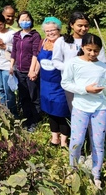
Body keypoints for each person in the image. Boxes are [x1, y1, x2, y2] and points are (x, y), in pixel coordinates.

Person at [61, 34, 106, 190]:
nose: (93, 54)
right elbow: (66, 83)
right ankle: (73, 169)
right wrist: (85, 89)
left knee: (98, 142)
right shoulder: (73, 64)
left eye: (96, 51)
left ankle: (96, 174)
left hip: (100, 108)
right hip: (81, 106)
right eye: (89, 50)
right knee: (77, 140)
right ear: (82, 48)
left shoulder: (104, 67)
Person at [52, 12, 106, 110]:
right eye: (80, 25)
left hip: (92, 83)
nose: (83, 28)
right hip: (72, 85)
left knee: (94, 111)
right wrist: (71, 69)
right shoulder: (62, 41)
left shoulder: (93, 41)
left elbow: (103, 62)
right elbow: (56, 61)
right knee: (77, 112)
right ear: (72, 25)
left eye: (86, 26)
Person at [31, 17, 70, 147]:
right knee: (50, 110)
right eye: (47, 31)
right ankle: (55, 138)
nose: (50, 33)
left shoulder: (64, 42)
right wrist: (35, 71)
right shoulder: (43, 42)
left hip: (60, 84)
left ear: (59, 29)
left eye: (52, 30)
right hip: (45, 83)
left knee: (61, 111)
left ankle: (64, 141)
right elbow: (39, 59)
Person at [10, 11, 42, 132]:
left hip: (30, 71)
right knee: (23, 96)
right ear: (18, 21)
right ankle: (27, 119)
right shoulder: (17, 35)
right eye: (22, 19)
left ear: (31, 20)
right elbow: (14, 51)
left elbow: (35, 53)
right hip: (19, 70)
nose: (24, 21)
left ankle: (35, 120)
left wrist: (32, 69)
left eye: (27, 19)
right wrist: (11, 66)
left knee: (33, 95)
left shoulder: (35, 35)